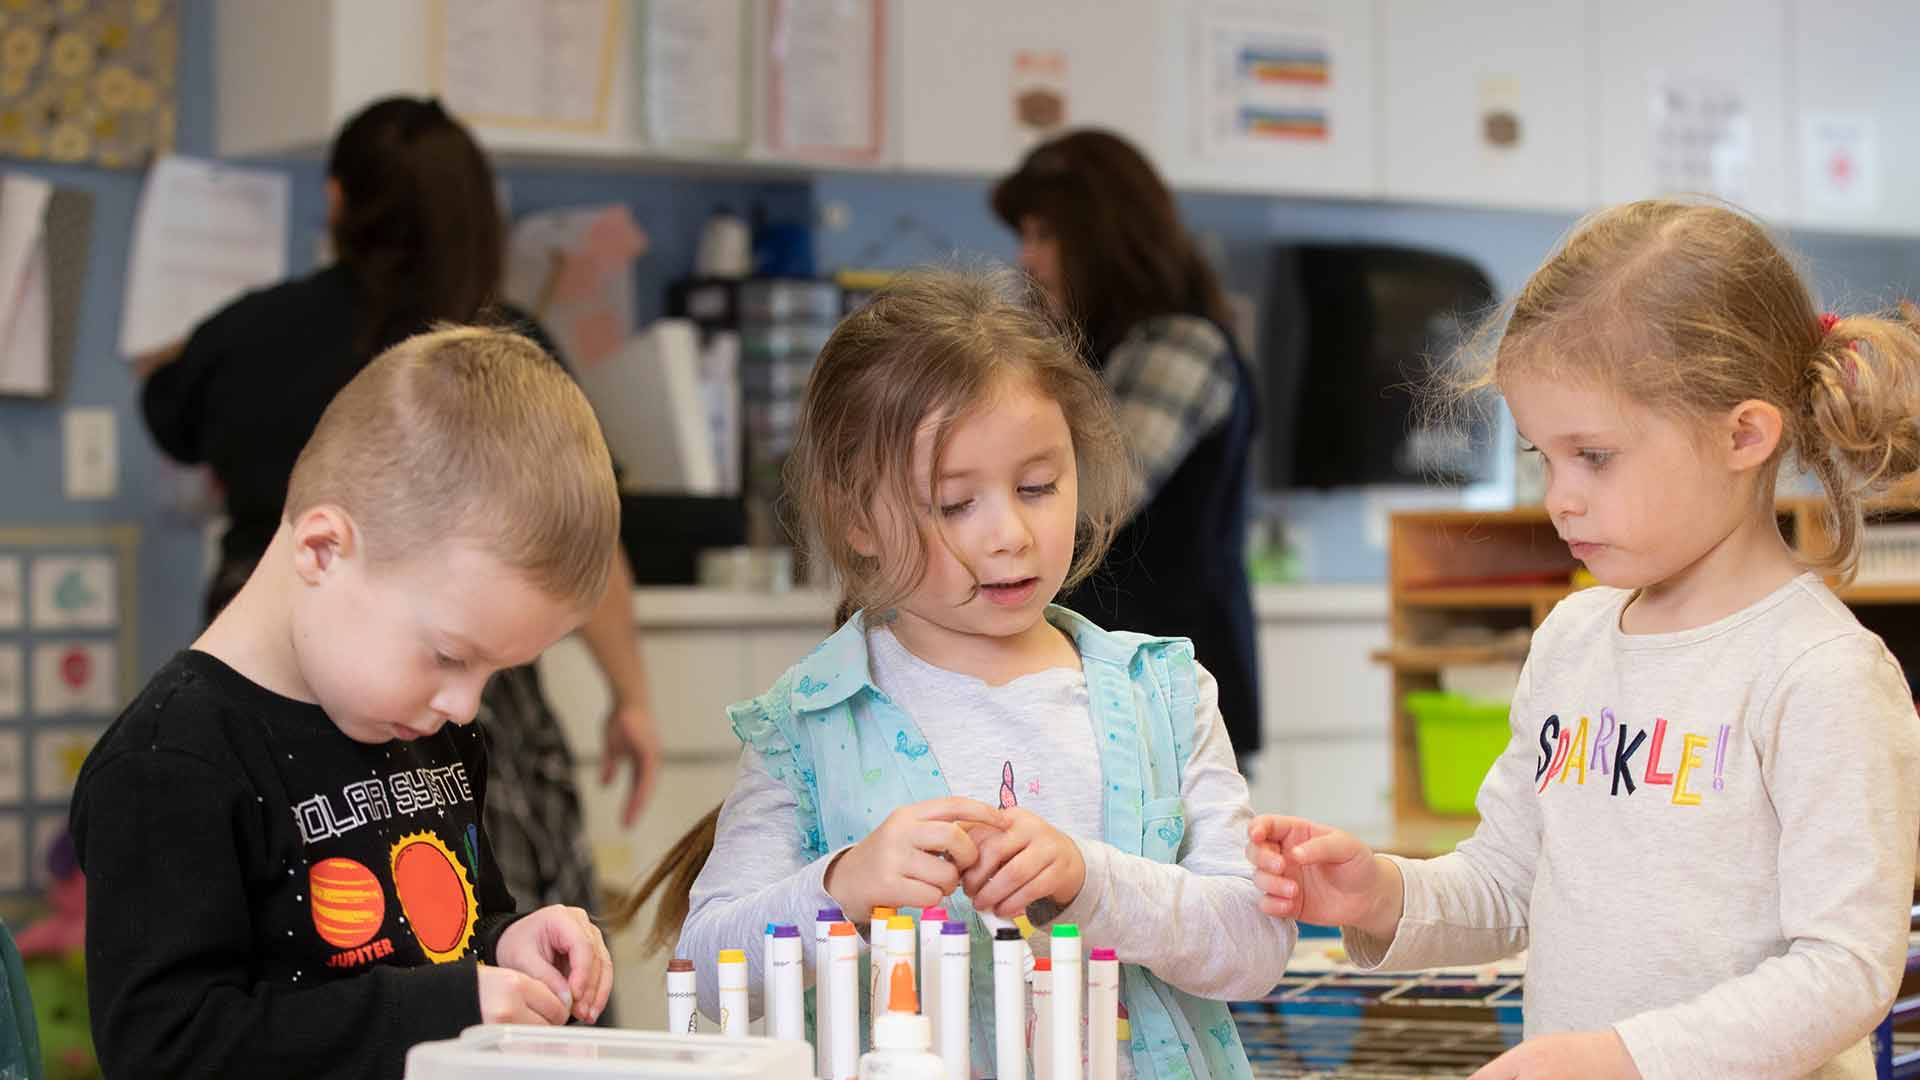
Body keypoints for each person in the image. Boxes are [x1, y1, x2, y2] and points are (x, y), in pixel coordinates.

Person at [1247, 200, 1920, 1080]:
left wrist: (1625, 1059)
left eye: (1593, 457)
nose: (1559, 496)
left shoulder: (1822, 674)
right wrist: (1383, 893)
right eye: (1542, 456)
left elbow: (1845, 971)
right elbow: (1505, 880)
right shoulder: (1572, 637)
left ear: (1743, 435)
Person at [625, 267, 1291, 1077]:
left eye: (1038, 486)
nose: (1010, 533)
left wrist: (1092, 881)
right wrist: (844, 885)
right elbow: (701, 963)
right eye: (953, 503)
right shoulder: (806, 724)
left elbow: (1257, 950)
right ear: (856, 520)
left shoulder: (1166, 694)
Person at [136, 96, 660, 918]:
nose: (465, 702)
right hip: (326, 663)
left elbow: (165, 407)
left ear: (338, 201)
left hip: (309, 652)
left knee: (478, 926)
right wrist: (631, 695)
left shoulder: (250, 334)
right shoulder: (503, 351)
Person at [73, 328, 617, 1076]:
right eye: (452, 655)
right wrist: (446, 1010)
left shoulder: (424, 724)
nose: (464, 705)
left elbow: (443, 941)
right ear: (324, 550)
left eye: (496, 673)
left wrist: (506, 947)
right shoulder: (169, 764)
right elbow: (165, 1048)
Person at [991, 128, 1263, 762]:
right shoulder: (1097, 350)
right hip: (1107, 688)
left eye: (1044, 236)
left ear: (1104, 237)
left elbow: (1091, 497)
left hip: (1165, 694)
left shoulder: (1178, 347)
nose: (1027, 258)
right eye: (1025, 236)